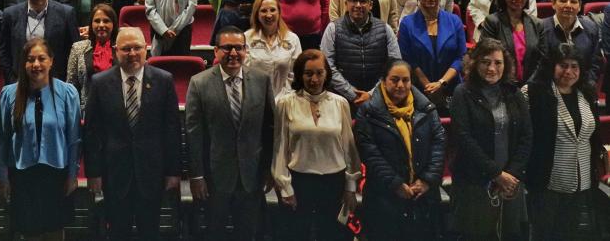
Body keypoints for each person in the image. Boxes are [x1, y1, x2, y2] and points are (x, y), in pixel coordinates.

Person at [84, 26, 181, 241]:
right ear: (116, 50)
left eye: (137, 48)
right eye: (126, 49)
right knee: (118, 231)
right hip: (114, 172)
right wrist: (93, 173)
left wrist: (173, 171)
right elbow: (92, 132)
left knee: (150, 232)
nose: (132, 54)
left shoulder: (164, 80)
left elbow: (172, 129)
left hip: (152, 172)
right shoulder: (100, 83)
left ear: (146, 49)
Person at [185, 26, 275, 240]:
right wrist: (196, 175)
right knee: (214, 232)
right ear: (216, 51)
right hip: (215, 177)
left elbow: (269, 129)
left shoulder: (262, 80)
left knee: (248, 232)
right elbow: (193, 134)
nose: (233, 53)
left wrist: (269, 169)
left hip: (251, 176)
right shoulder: (199, 83)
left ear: (246, 50)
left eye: (239, 48)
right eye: (227, 48)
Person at [0, 37, 81, 241]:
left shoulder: (68, 93)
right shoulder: (9, 94)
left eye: (41, 58)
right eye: (30, 59)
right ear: (23, 63)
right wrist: (2, 176)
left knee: (54, 229)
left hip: (56, 174)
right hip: (23, 175)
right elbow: (2, 139)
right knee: (29, 231)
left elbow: (74, 139)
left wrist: (72, 174)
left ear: (51, 61)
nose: (36, 65)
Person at [272, 49, 361, 241]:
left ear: (327, 74)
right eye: (308, 73)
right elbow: (280, 149)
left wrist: (351, 186)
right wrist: (285, 187)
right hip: (299, 181)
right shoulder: (285, 103)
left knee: (332, 235)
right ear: (299, 75)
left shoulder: (341, 103)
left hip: (334, 183)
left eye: (319, 73)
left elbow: (349, 148)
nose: (314, 79)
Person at [354, 59, 446, 241]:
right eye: (394, 80)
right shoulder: (367, 112)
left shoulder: (427, 108)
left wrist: (427, 180)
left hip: (423, 197)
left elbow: (439, 143)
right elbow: (369, 153)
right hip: (384, 197)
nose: (400, 85)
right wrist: (396, 183)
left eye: (405, 80)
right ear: (383, 81)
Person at [450, 39, 532, 241]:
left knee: (510, 234)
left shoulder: (514, 93)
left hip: (510, 182)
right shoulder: (462, 93)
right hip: (474, 182)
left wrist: (510, 175)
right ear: (475, 63)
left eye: (498, 62)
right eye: (486, 62)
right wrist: (496, 174)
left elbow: (526, 136)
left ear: (506, 65)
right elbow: (464, 139)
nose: (492, 68)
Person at [522, 43, 601, 240]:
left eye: (574, 66)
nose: (569, 71)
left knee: (570, 234)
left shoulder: (587, 94)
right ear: (552, 66)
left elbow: (593, 137)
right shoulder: (533, 92)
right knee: (543, 234)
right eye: (563, 65)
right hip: (546, 182)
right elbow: (522, 136)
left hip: (581, 181)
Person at [322, 0, 401, 108]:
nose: (358, 5)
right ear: (346, 4)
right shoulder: (333, 29)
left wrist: (372, 94)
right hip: (342, 99)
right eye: (353, 0)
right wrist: (351, 93)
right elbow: (327, 66)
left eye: (363, 1)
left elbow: (395, 65)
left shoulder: (385, 29)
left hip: (380, 99)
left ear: (370, 5)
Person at [398, 0, 467, 108]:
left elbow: (460, 57)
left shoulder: (455, 21)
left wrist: (441, 83)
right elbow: (409, 60)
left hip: (451, 87)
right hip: (419, 89)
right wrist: (428, 86)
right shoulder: (407, 23)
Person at [0, 0, 79, 83]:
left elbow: (74, 54)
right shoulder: (10, 14)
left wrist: (64, 84)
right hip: (20, 83)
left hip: (56, 83)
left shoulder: (66, 14)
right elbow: (4, 53)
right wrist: (12, 82)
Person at [480, 0, 548, 85]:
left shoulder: (538, 24)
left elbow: (542, 59)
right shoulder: (492, 22)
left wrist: (529, 86)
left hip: (531, 85)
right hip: (500, 85)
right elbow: (486, 57)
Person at [541, 0, 603, 86]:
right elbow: (538, 65)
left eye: (573, 1)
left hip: (582, 87)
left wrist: (587, 87)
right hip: (548, 88)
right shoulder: (541, 28)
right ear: (553, 4)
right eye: (563, 0)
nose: (568, 5)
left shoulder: (591, 28)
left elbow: (595, 63)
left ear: (579, 6)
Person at [244, 0, 302, 101]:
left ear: (279, 12)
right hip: (254, 99)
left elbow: (295, 73)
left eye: (272, 10)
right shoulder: (246, 38)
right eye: (263, 11)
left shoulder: (292, 39)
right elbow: (244, 73)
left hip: (286, 99)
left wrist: (284, 97)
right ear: (257, 14)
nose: (269, 15)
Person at [66, 3, 118, 114]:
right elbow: (71, 85)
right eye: (97, 21)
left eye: (106, 21)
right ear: (91, 24)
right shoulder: (78, 48)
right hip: (88, 111)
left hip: (118, 110)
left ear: (113, 24)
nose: (101, 25)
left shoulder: (121, 48)